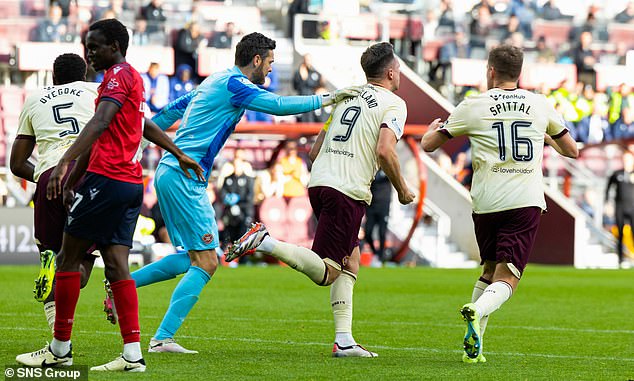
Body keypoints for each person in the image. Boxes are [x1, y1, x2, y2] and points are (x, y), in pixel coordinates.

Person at [112, 32, 361, 353]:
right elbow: (277, 105)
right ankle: (162, 338)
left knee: (193, 257)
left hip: (172, 171)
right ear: (256, 60)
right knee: (208, 261)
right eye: (270, 62)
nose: (271, 69)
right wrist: (328, 98)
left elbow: (176, 107)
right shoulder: (235, 85)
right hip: (184, 175)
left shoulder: (217, 80)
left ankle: (122, 286)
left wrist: (142, 139)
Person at [15, 18, 203, 372]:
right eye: (87, 45)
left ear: (114, 46)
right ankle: (132, 355)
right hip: (129, 184)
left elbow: (99, 124)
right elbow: (134, 124)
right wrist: (176, 153)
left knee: (68, 260)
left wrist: (63, 162)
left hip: (106, 181)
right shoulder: (119, 81)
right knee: (116, 266)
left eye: (95, 45)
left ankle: (59, 349)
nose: (89, 52)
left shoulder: (117, 76)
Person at [225, 42, 415, 357]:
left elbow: (314, 150)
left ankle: (344, 340)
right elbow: (385, 150)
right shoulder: (394, 103)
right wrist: (403, 189)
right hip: (347, 189)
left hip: (321, 181)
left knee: (350, 260)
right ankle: (265, 241)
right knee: (328, 272)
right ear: (392, 72)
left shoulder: (347, 95)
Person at [421, 44, 578, 363]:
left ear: (490, 70)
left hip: (486, 201)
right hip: (524, 200)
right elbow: (571, 150)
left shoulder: (473, 105)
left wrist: (430, 131)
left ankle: (474, 347)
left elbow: (429, 146)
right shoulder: (538, 104)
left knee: (490, 268)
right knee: (509, 277)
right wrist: (544, 137)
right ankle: (477, 310)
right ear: (519, 74)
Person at [10, 53, 99, 334]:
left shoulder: (35, 97)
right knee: (79, 264)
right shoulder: (96, 91)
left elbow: (16, 163)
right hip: (88, 175)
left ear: (53, 77)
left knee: (51, 255)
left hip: (50, 175)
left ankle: (55, 335)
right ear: (84, 76)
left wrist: (45, 176)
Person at [605, 150, 634, 267]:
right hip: (620, 206)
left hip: (633, 207)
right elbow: (608, 189)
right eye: (624, 159)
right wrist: (607, 204)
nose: (626, 161)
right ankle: (620, 260)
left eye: (628, 159)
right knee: (620, 233)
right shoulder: (617, 174)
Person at [364, 170, 393, 264]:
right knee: (367, 232)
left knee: (382, 232)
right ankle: (376, 253)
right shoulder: (371, 169)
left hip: (383, 206)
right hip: (371, 206)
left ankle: (380, 257)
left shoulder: (387, 169)